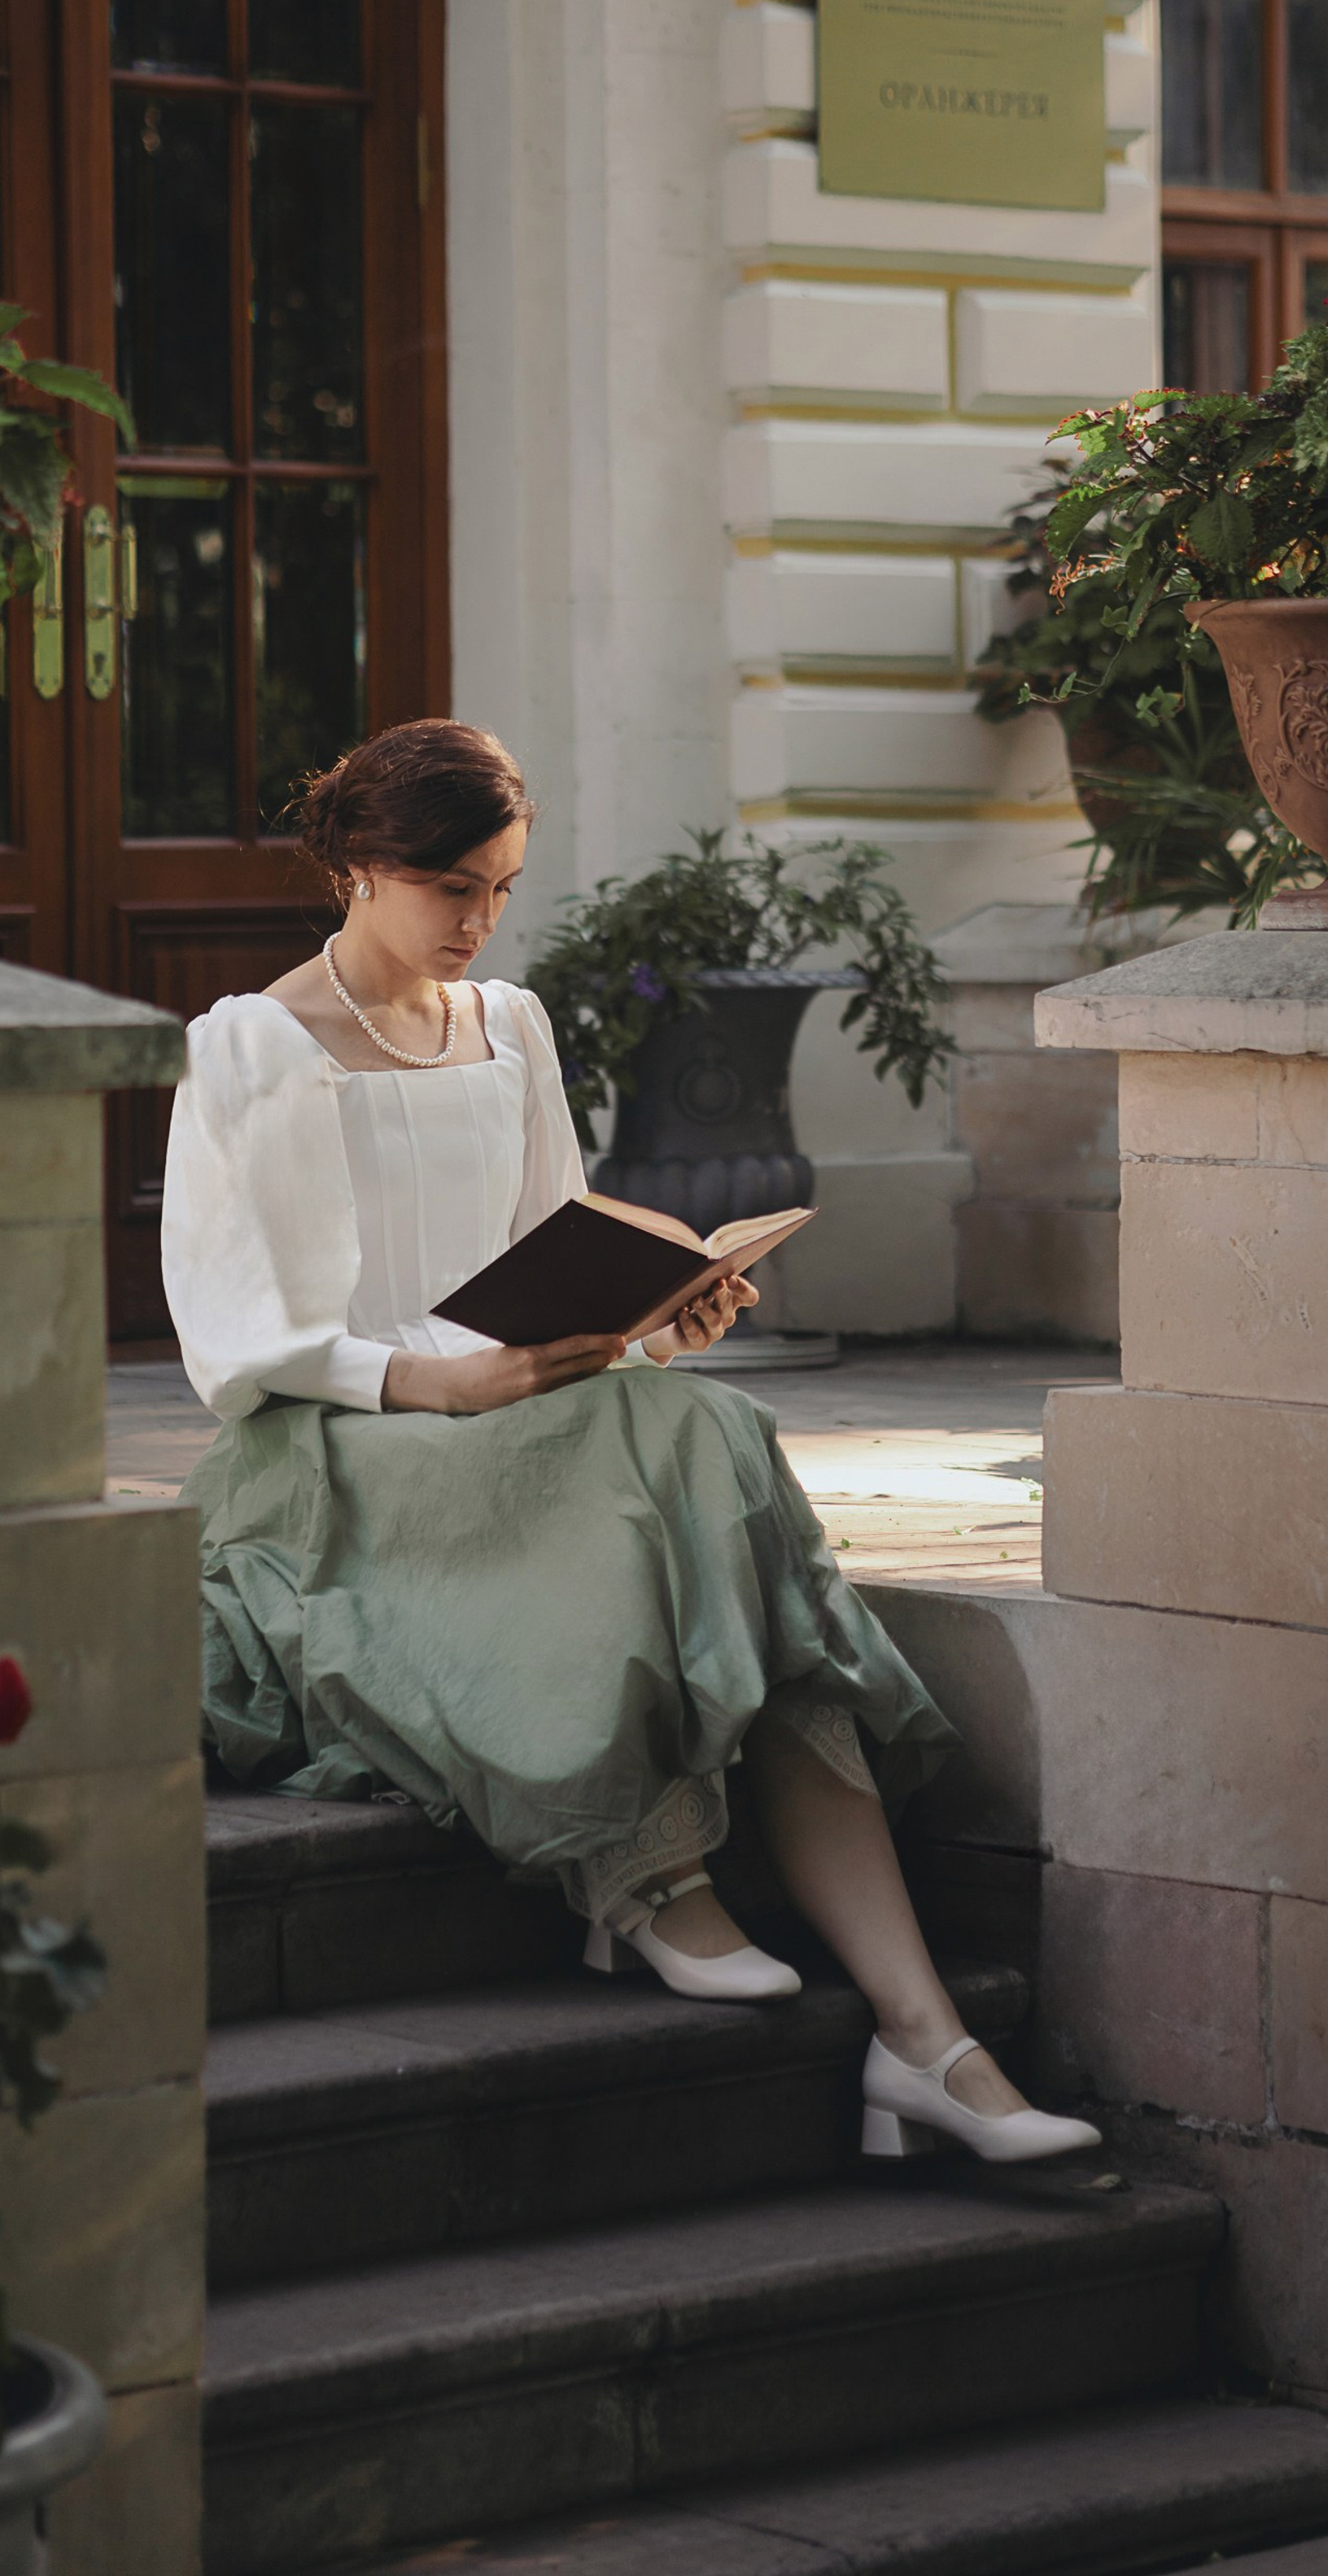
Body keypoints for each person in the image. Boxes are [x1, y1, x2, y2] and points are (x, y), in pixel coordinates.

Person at [163, 719, 1099, 2167]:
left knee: (697, 1417)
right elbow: (234, 1336)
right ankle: (651, 1873)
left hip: (528, 1404)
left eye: (501, 888)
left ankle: (924, 2039)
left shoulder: (513, 1026)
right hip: (342, 1438)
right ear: (359, 866)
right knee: (686, 1458)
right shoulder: (249, 1045)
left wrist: (661, 1316)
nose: (480, 921)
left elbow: (555, 1254)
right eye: (451, 888)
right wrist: (444, 1388)